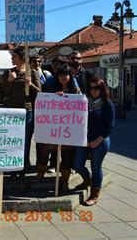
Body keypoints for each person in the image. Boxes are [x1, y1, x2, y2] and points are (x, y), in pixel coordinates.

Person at [35, 65, 80, 191]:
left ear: (70, 76)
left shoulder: (75, 90)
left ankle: (64, 181)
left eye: (65, 75)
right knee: (44, 151)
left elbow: (80, 105)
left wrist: (66, 96)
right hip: (51, 129)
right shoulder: (50, 87)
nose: (63, 77)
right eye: (60, 75)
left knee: (66, 157)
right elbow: (44, 101)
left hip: (67, 130)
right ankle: (41, 172)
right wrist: (55, 97)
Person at [73, 77, 115, 206]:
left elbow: (110, 126)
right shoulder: (84, 101)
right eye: (91, 88)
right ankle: (88, 180)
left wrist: (97, 141)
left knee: (96, 167)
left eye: (96, 88)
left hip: (100, 141)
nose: (93, 90)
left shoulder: (107, 104)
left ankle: (94, 194)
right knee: (77, 164)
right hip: (84, 140)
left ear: (102, 89)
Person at [2, 47, 41, 170]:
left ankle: (25, 163)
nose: (11, 58)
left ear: (21, 58)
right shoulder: (9, 72)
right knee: (13, 139)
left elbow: (40, 92)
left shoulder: (32, 72)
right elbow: (4, 92)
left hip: (27, 111)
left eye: (14, 56)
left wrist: (31, 84)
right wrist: (9, 81)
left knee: (26, 139)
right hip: (12, 112)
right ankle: (13, 163)